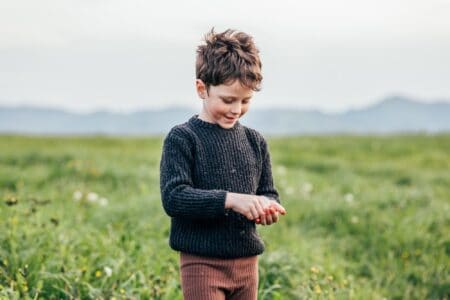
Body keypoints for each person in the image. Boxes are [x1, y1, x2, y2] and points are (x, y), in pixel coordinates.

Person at [159, 27, 287, 300]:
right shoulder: (183, 138)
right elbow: (174, 198)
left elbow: (267, 191)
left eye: (245, 100)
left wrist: (267, 207)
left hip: (246, 264)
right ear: (201, 88)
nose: (236, 109)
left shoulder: (255, 141)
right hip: (202, 264)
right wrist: (230, 200)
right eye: (228, 100)